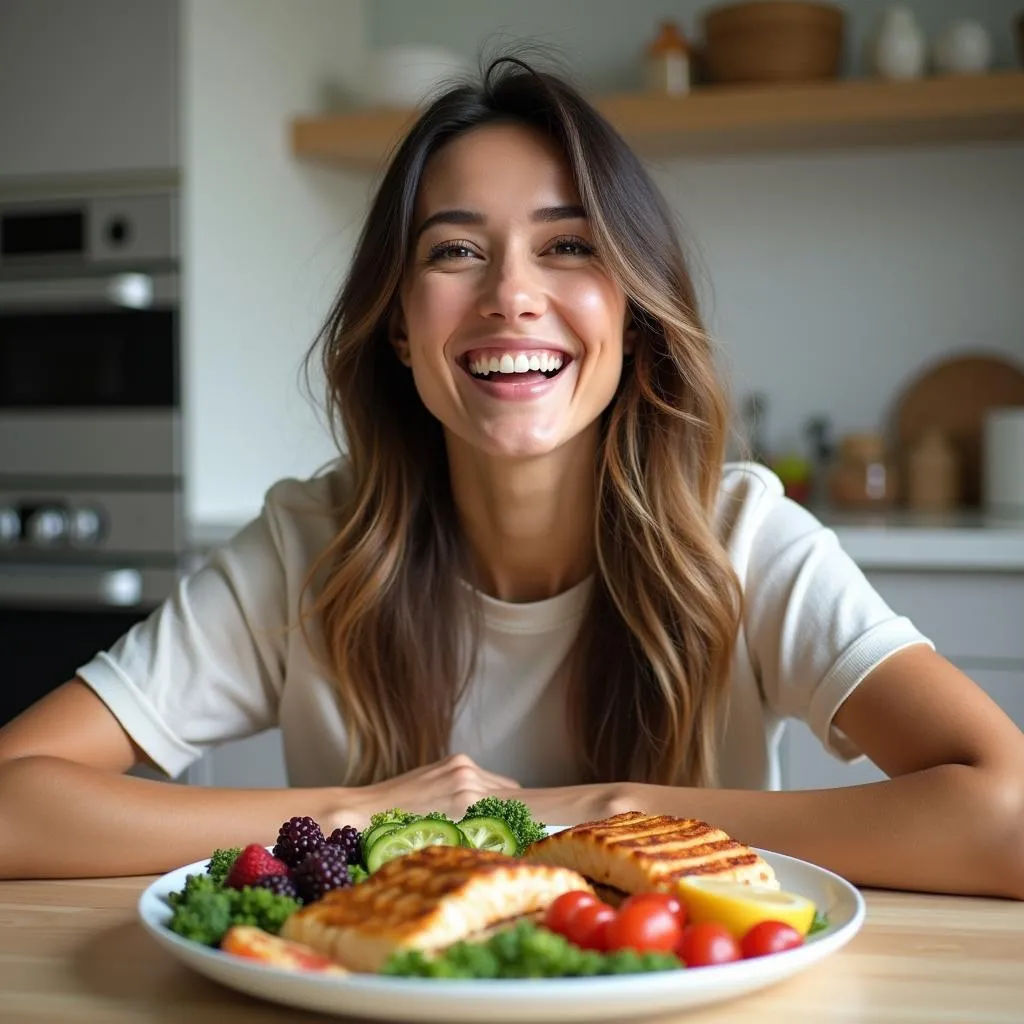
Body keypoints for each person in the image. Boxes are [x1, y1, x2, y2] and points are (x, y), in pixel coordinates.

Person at [1, 58, 1022, 896]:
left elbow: (1006, 810)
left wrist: (601, 812)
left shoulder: (742, 536)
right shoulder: (309, 544)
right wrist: (361, 817)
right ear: (399, 322)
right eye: (455, 251)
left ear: (633, 311)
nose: (513, 295)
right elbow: (14, 795)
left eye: (568, 244)